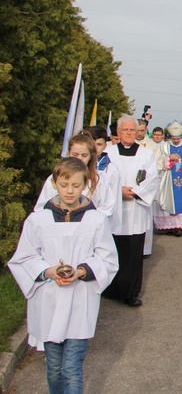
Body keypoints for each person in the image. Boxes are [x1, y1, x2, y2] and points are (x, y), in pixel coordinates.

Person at [9, 157, 119, 394]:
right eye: (64, 185)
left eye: (76, 186)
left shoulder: (96, 220)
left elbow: (108, 260)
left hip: (80, 301)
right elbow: (23, 258)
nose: (70, 191)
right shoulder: (37, 220)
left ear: (85, 185)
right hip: (48, 302)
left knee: (72, 368)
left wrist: (80, 271)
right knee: (55, 369)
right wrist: (48, 271)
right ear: (54, 183)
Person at [103, 115, 159, 307]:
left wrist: (134, 192)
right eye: (125, 130)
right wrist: (117, 192)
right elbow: (99, 179)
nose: (128, 133)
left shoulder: (146, 155)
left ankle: (130, 293)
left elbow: (152, 179)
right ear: (118, 132)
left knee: (133, 254)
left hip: (136, 209)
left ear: (138, 133)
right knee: (112, 250)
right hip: (113, 211)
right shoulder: (107, 154)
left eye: (132, 130)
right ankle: (111, 288)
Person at [35, 131, 115, 221]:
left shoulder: (99, 181)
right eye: (75, 154)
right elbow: (41, 208)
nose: (79, 159)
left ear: (90, 156)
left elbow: (106, 208)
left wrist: (89, 220)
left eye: (84, 155)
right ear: (69, 154)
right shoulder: (55, 177)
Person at [154, 121, 182, 236]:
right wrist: (168, 158)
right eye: (174, 138)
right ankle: (169, 226)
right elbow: (157, 161)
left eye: (178, 138)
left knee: (181, 200)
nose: (176, 141)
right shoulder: (164, 146)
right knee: (169, 198)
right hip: (168, 178)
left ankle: (180, 226)